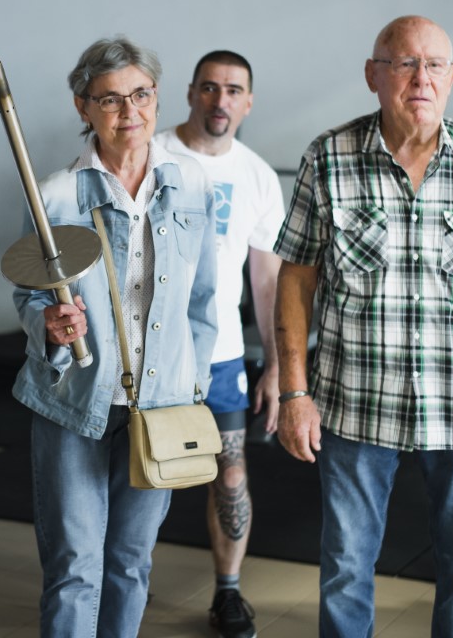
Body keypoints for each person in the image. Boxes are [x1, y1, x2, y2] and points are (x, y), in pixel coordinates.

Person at [273, 15, 453, 637]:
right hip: (354, 404)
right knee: (346, 566)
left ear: (452, 76)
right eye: (404, 63)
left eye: (435, 65)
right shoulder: (328, 157)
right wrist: (293, 392)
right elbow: (296, 280)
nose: (421, 78)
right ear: (374, 75)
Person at [12, 36, 218, 637]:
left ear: (156, 97)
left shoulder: (192, 183)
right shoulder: (54, 194)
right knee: (75, 568)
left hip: (161, 406)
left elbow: (204, 299)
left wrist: (192, 381)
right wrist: (49, 326)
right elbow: (29, 296)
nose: (130, 111)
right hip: (74, 402)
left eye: (141, 95)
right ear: (83, 107)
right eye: (110, 99)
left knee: (131, 562)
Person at [153, 49, 283, 638]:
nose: (220, 100)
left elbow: (266, 281)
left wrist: (276, 365)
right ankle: (118, 579)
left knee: (230, 476)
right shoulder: (152, 153)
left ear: (248, 102)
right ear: (191, 93)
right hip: (149, 353)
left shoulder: (257, 176)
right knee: (133, 473)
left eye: (233, 90)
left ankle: (227, 592)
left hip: (222, 354)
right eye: (210, 87)